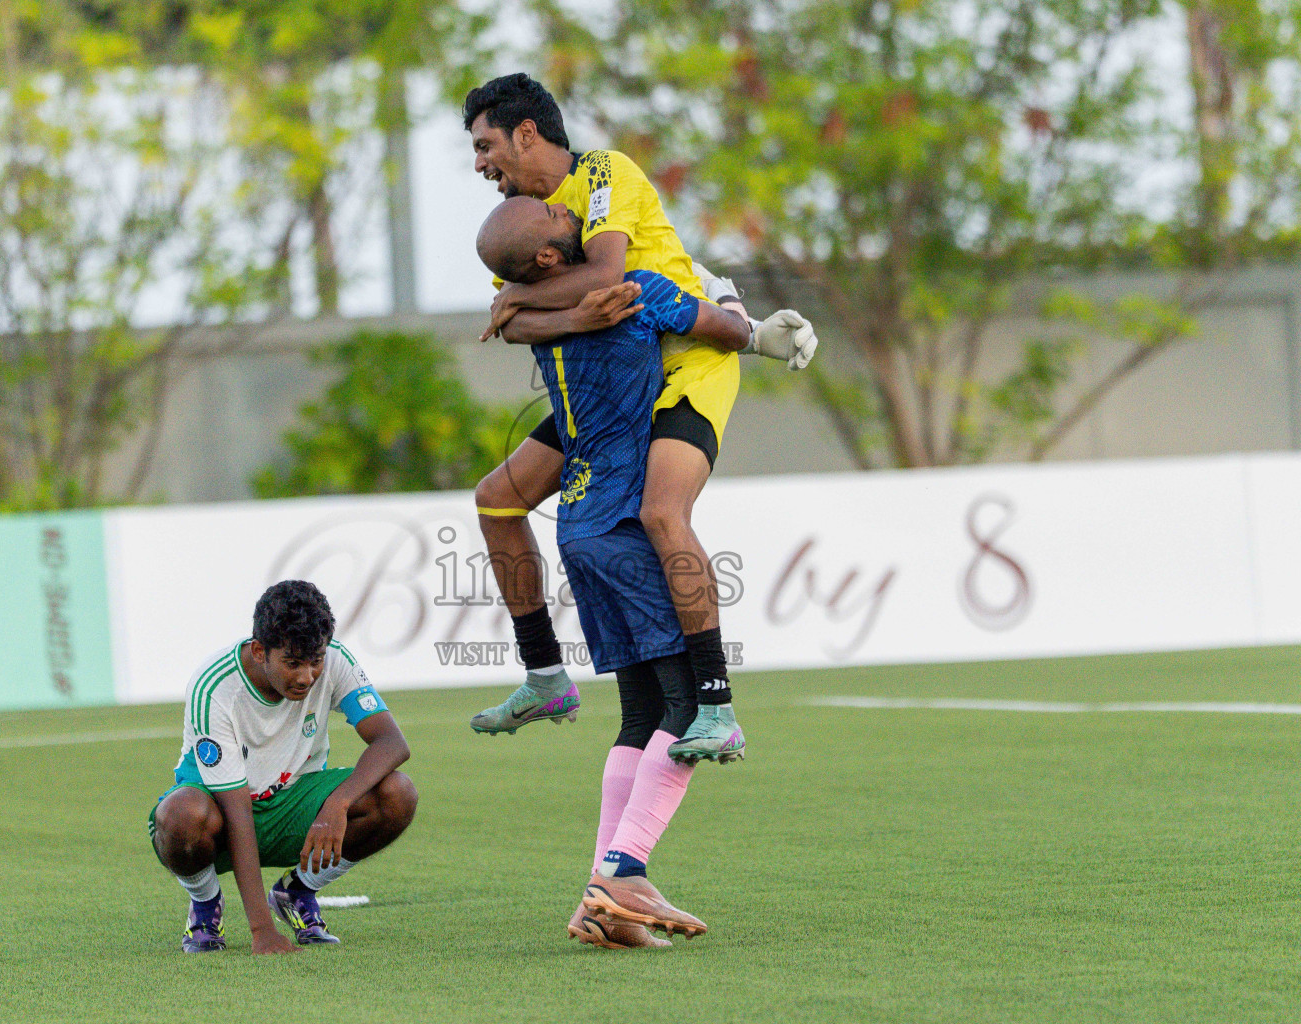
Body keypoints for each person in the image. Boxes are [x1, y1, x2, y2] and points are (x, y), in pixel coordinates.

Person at [464, 73, 817, 764]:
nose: (480, 164)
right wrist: (561, 314)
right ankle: (543, 674)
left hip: (691, 358)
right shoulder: (515, 225)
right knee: (497, 500)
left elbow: (601, 278)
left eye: (485, 145)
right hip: (612, 385)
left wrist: (542, 308)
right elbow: (519, 321)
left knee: (661, 513)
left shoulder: (602, 176)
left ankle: (717, 702)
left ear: (527, 133)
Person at [475, 195, 753, 947]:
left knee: (638, 713)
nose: (578, 218)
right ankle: (622, 870)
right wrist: (728, 296)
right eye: (562, 222)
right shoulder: (634, 290)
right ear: (548, 256)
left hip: (579, 524)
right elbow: (726, 334)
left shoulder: (529, 319)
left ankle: (598, 907)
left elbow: (523, 314)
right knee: (687, 703)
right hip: (630, 528)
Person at [147, 580, 418, 954]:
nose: (307, 675)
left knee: (397, 794)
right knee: (180, 815)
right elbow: (238, 809)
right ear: (259, 651)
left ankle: (298, 891)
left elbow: (391, 742)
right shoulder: (216, 686)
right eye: (292, 663)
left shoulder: (335, 659)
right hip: (221, 814)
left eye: (316, 661)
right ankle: (206, 904)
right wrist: (261, 931)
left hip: (292, 803)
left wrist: (337, 805)